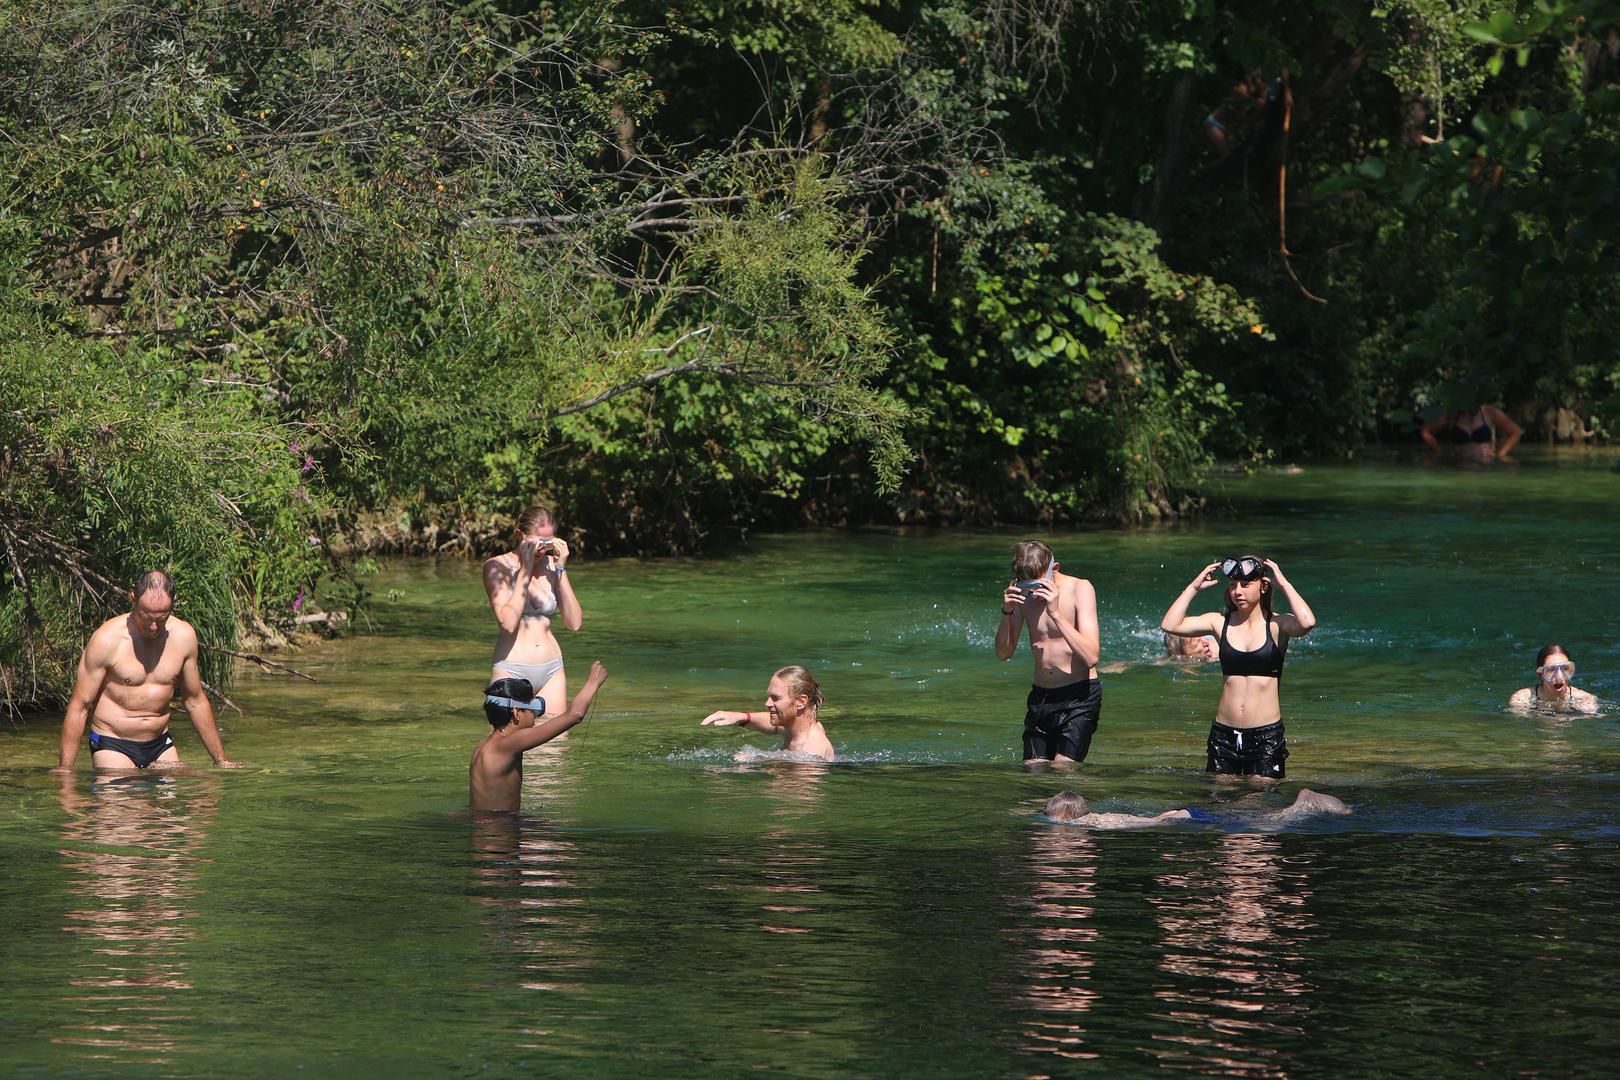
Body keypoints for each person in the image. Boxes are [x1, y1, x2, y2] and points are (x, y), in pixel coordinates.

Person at [57, 571, 238, 770]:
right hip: (113, 744)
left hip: (160, 744)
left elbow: (195, 701)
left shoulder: (183, 637)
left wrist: (221, 760)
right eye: (146, 617)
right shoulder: (106, 640)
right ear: (133, 598)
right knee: (128, 796)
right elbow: (80, 706)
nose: (153, 627)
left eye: (161, 618)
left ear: (173, 603)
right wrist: (65, 771)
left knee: (199, 796)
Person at [1160, 556, 1317, 783]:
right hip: (1224, 734)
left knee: (1258, 804)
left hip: (1265, 736)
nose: (1237, 591)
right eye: (1233, 585)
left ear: (1263, 586)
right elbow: (1170, 625)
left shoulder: (1277, 624)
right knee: (1221, 803)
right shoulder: (1219, 622)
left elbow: (1307, 623)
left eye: (1245, 584)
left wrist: (1284, 584)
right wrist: (1193, 587)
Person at [995, 540, 1102, 765]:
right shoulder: (1021, 596)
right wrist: (1007, 611)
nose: (1033, 592)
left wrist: (1055, 614)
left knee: (1062, 771)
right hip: (1041, 697)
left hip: (1079, 697)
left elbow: (1092, 657)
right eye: (1027, 586)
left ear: (1055, 568)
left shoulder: (1080, 589)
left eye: (1038, 584)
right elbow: (1003, 653)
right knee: (1034, 775)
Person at [470, 661, 609, 812]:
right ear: (517, 712)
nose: (536, 716)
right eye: (533, 709)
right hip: (500, 830)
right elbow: (575, 715)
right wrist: (593, 682)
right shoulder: (508, 743)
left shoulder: (484, 745)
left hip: (487, 824)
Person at [484, 506, 582, 714]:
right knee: (507, 743)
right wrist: (526, 570)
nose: (541, 550)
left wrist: (561, 569)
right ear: (519, 535)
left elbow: (574, 623)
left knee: (555, 744)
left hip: (552, 671)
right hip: (511, 670)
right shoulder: (496, 567)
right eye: (537, 542)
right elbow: (508, 623)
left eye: (547, 544)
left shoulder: (551, 566)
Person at [700, 666, 835, 761]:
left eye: (776, 698)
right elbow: (776, 726)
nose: (767, 703)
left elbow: (794, 797)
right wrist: (742, 717)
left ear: (801, 701)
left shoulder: (811, 752)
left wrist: (758, 761)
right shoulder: (796, 727)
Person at [1041, 788, 1350, 829]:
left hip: (1183, 818)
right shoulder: (1091, 819)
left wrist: (1170, 819)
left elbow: (1146, 824)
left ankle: (1303, 804)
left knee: (1263, 825)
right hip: (1181, 815)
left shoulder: (1092, 824)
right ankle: (1300, 805)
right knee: (1250, 820)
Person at [1508, 644, 1599, 715]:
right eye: (1551, 669)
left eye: (1565, 668)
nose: (1559, 677)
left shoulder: (1584, 699)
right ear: (1540, 674)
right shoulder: (1522, 699)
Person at [1419, 403, 1522, 463]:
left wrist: (1499, 455)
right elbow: (1426, 431)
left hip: (1485, 464)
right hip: (1458, 464)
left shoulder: (1488, 411)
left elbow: (1515, 431)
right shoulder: (1452, 414)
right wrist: (1439, 452)